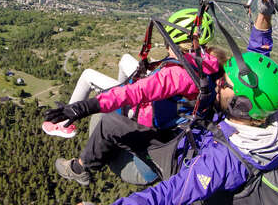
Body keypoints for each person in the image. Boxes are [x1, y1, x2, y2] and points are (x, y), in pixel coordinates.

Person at [46, 0, 278, 204]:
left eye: (224, 83)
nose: (218, 81)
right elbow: (257, 58)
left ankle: (82, 169)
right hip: (186, 138)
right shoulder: (260, 114)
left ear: (240, 104)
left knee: (109, 124)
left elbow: (170, 195)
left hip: (177, 158)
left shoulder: (225, 159)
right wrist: (265, 12)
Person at [42, 8, 222, 139]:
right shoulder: (205, 62)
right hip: (163, 105)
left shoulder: (177, 74)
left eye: (169, 44)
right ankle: (116, 105)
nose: (168, 49)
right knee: (125, 60)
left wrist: (82, 107)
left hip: (145, 112)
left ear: (179, 45)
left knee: (88, 75)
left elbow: (136, 92)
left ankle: (64, 123)